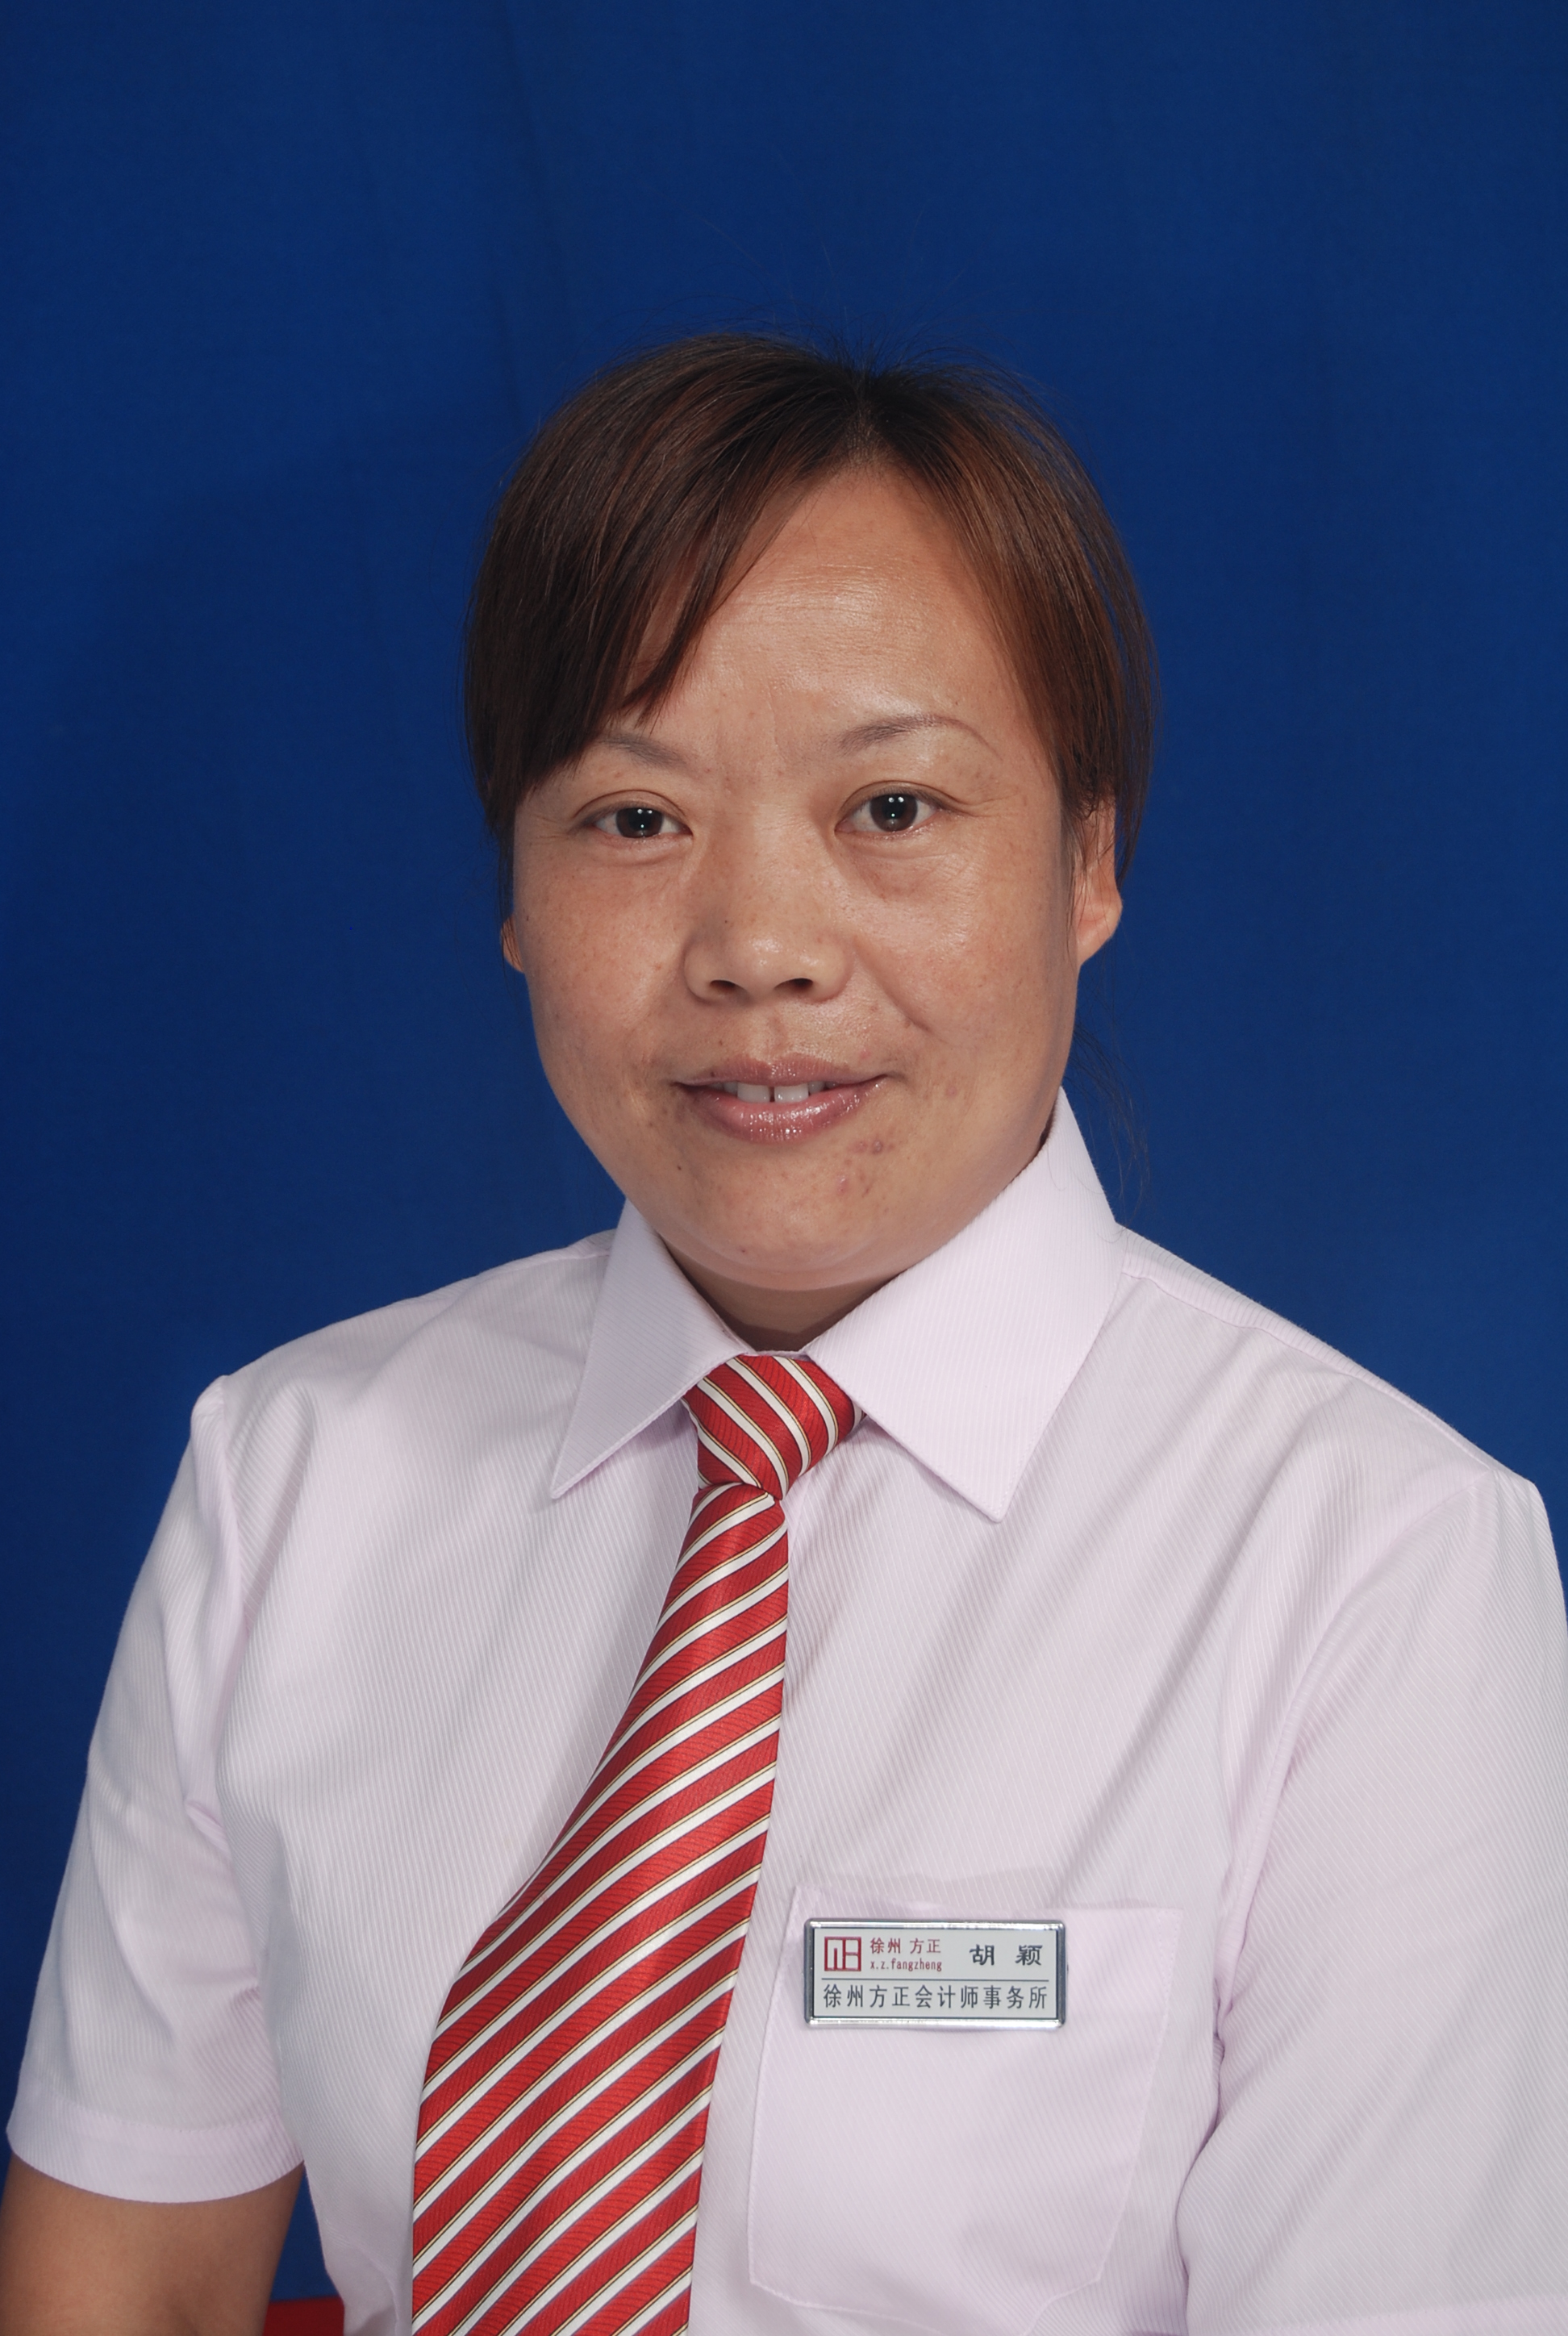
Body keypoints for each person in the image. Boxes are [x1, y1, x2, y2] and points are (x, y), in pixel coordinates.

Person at [2, 334, 1565, 2336]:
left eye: (892, 803)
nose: (759, 944)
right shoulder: (291, 1471)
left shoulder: (1372, 1564)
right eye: (632, 818)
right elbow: (125, 2269)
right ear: (511, 890)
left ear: (1090, 860)